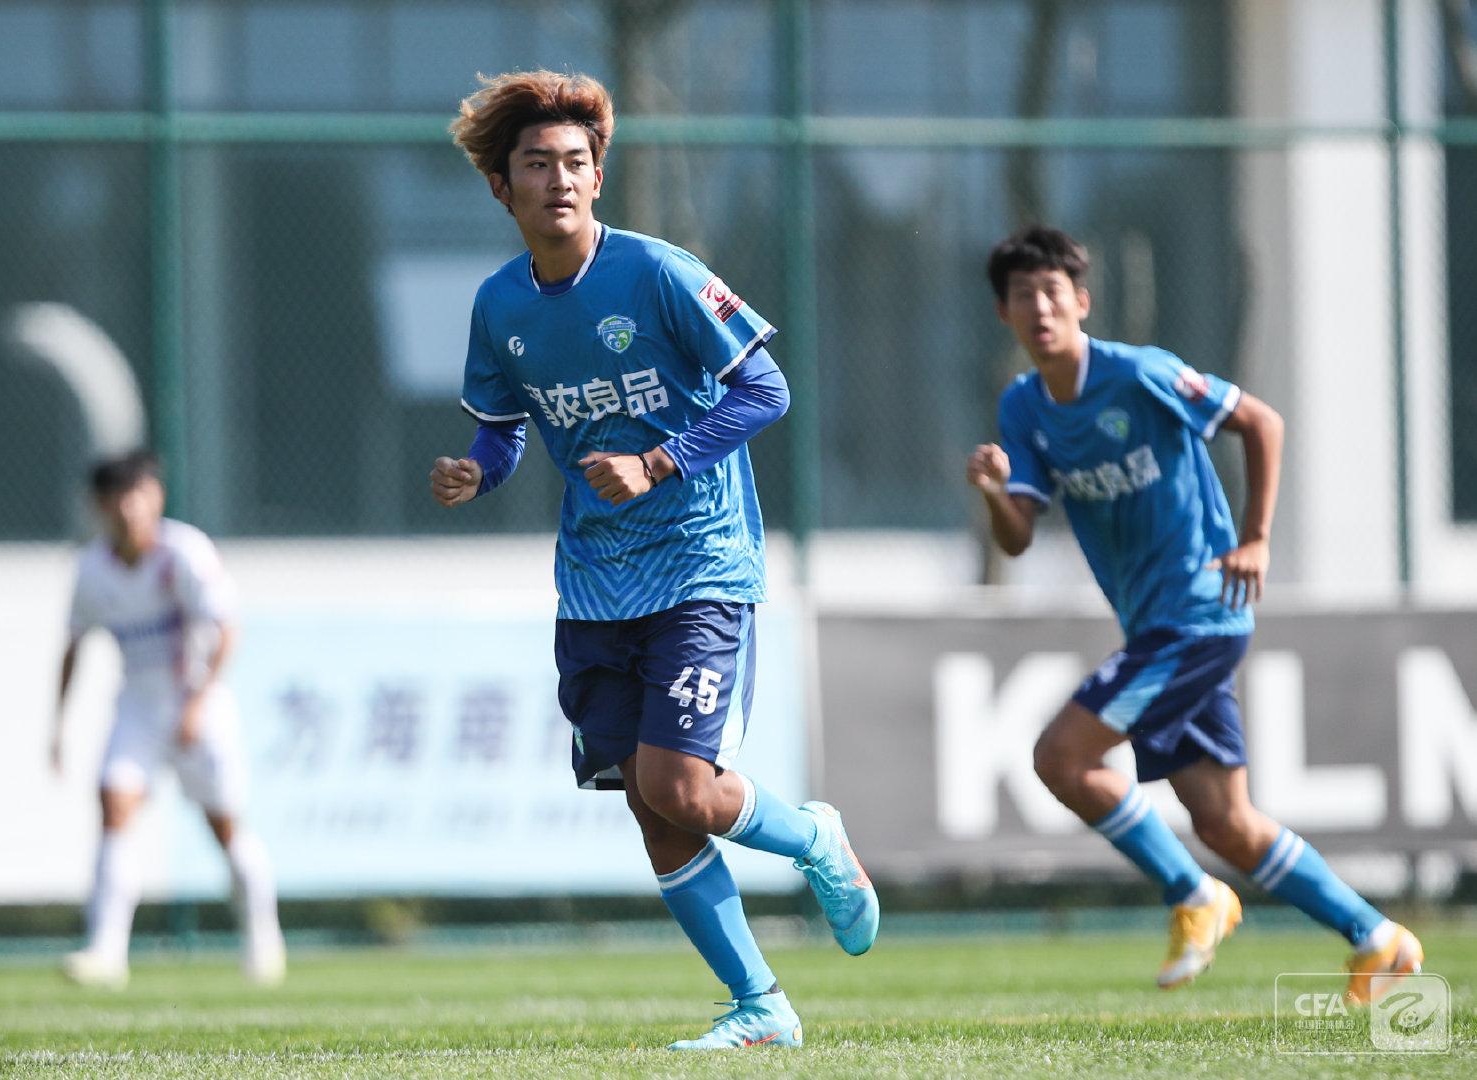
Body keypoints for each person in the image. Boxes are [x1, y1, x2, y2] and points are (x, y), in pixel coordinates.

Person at [432, 70, 878, 1051]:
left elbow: (766, 389)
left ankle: (814, 838)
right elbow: (505, 429)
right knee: (652, 804)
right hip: (595, 584)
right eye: (537, 165)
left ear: (599, 178)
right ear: (502, 187)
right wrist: (477, 470)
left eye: (575, 163)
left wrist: (660, 459)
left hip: (699, 564)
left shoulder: (659, 273)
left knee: (679, 786)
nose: (559, 179)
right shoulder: (499, 305)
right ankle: (761, 1007)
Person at [967, 225, 1422, 1002]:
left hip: (1198, 616)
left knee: (1060, 758)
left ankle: (1193, 893)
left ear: (1082, 301)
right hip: (1156, 627)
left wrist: (1257, 538)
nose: (1039, 308)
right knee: (1225, 821)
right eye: (1022, 296)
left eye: (1051, 292)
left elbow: (1261, 422)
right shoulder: (1024, 408)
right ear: (1003, 313)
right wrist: (991, 492)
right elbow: (1018, 537)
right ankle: (1378, 939)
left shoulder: (1140, 374)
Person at [52, 450, 285, 989]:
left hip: (197, 704)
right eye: (117, 497)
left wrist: (197, 703)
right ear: (100, 506)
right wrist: (57, 727)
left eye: (139, 494)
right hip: (137, 705)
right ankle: (106, 952)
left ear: (155, 498)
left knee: (226, 828)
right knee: (114, 807)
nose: (129, 508)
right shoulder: (91, 570)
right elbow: (73, 645)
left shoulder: (183, 552)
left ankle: (263, 938)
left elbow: (226, 630)